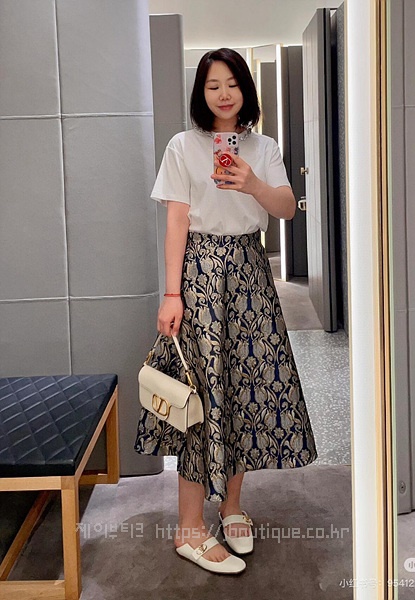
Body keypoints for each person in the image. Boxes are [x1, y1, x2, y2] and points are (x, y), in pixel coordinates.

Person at [134, 48, 317, 574]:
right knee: (200, 393)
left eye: (233, 83)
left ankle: (232, 505)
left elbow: (286, 208)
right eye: (213, 85)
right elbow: (176, 221)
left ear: (246, 90)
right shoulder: (182, 146)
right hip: (199, 274)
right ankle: (189, 528)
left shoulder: (263, 147)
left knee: (243, 388)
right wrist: (172, 294)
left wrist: (252, 183)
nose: (224, 94)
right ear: (201, 92)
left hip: (251, 271)